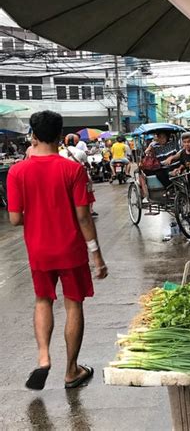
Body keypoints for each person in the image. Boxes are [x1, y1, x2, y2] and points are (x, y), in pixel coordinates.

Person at [7, 110, 108, 391]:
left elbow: (15, 218)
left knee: (42, 300)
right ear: (61, 136)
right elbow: (84, 217)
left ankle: (43, 358)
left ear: (33, 135)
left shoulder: (17, 171)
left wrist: (37, 214)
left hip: (38, 250)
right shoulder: (73, 169)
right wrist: (96, 255)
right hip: (70, 249)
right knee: (73, 303)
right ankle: (71, 371)